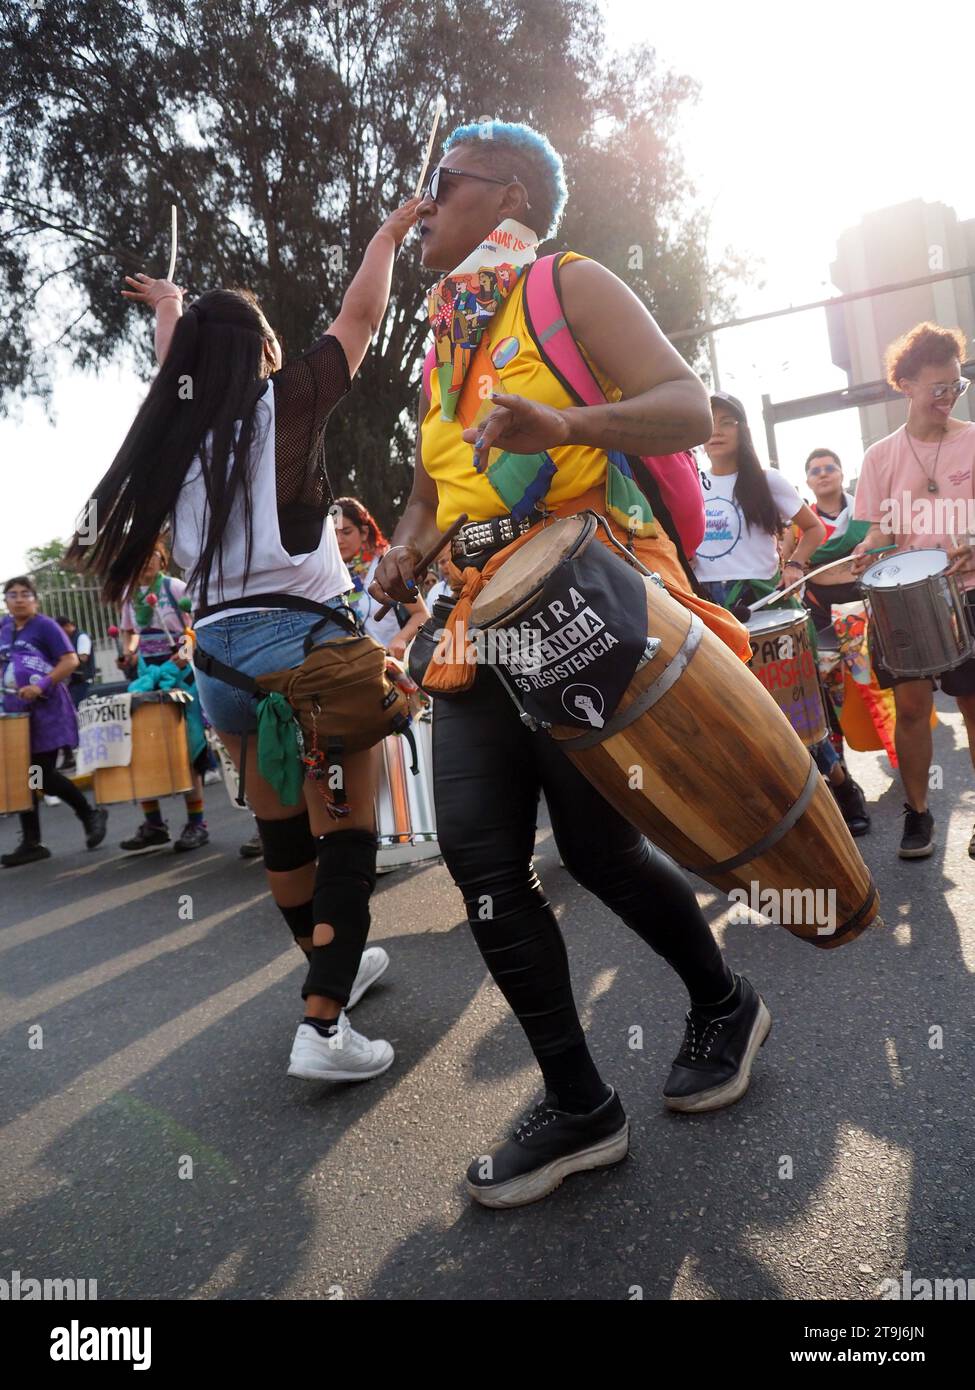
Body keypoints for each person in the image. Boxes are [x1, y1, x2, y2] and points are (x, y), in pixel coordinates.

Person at [369, 120, 771, 1210]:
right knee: (482, 860)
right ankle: (579, 1102)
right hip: (476, 619)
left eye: (438, 185)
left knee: (598, 851)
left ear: (502, 192)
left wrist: (566, 420)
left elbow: (685, 406)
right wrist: (408, 548)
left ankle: (722, 1000)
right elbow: (431, 482)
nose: (425, 204)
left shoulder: (565, 283)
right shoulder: (443, 343)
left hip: (582, 590)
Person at [67, 195, 422, 1081]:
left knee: (286, 841)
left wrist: (171, 315)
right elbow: (361, 319)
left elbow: (172, 377)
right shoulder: (282, 407)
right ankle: (323, 1026)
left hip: (219, 665)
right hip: (308, 655)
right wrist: (383, 238)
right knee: (345, 836)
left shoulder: (173, 442)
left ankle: (331, 968)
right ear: (263, 353)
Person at [694, 394, 869, 832]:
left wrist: (793, 565)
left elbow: (810, 530)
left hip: (766, 605)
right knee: (736, 716)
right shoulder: (689, 479)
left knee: (796, 712)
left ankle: (843, 786)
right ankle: (777, 811)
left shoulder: (767, 479)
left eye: (728, 421)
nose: (717, 430)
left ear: (743, 430)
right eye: (709, 421)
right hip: (712, 609)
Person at [851, 322, 975, 858]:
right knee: (910, 708)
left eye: (957, 385)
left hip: (967, 591)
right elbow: (879, 527)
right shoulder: (880, 456)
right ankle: (918, 813)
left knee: (974, 705)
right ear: (905, 385)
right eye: (937, 387)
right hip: (905, 603)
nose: (948, 396)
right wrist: (869, 548)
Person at [1, 577, 108, 867]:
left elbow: (71, 661)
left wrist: (41, 685)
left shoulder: (45, 626)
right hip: (14, 715)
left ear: (35, 599)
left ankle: (89, 813)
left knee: (41, 774)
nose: (20, 599)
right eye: (13, 594)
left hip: (46, 710)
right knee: (21, 776)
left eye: (26, 594)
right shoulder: (4, 628)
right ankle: (32, 842)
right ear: (6, 600)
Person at [115, 538, 211, 852]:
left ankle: (197, 824)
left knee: (187, 748)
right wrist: (129, 654)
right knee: (142, 748)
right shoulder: (129, 596)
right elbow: (131, 633)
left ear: (162, 559)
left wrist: (184, 653)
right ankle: (154, 824)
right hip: (146, 676)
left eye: (151, 555)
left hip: (180, 675)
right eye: (139, 555)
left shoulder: (176, 587)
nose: (146, 561)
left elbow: (195, 625)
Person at [333, 496, 429, 660]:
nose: (339, 540)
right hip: (355, 672)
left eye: (346, 532)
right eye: (333, 533)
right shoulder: (333, 574)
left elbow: (422, 615)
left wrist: (400, 639)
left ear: (364, 533)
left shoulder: (388, 566)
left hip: (395, 668)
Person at [54, 614, 96, 772]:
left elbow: (83, 657)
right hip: (73, 684)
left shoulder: (81, 637)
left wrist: (65, 662)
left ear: (66, 626)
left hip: (83, 684)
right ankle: (70, 755)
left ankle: (77, 755)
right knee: (67, 717)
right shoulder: (70, 639)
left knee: (75, 718)